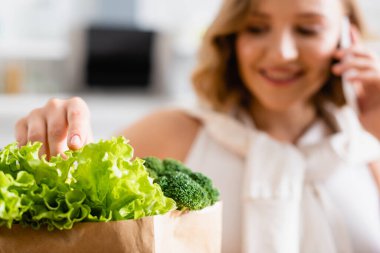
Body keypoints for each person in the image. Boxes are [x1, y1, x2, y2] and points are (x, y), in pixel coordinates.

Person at [14, 0, 380, 252]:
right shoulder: (173, 133)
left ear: (347, 37)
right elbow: (77, 228)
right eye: (256, 28)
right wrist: (53, 151)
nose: (281, 52)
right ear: (232, 37)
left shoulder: (368, 148)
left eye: (307, 29)